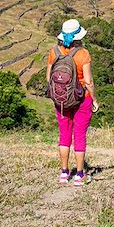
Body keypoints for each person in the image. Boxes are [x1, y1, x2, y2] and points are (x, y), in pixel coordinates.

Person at [46, 19, 99, 186]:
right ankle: (80, 175)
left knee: (64, 135)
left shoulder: (54, 51)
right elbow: (89, 81)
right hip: (81, 99)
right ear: (78, 37)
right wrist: (94, 99)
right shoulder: (83, 54)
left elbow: (48, 77)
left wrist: (58, 94)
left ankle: (64, 173)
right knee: (80, 135)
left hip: (60, 100)